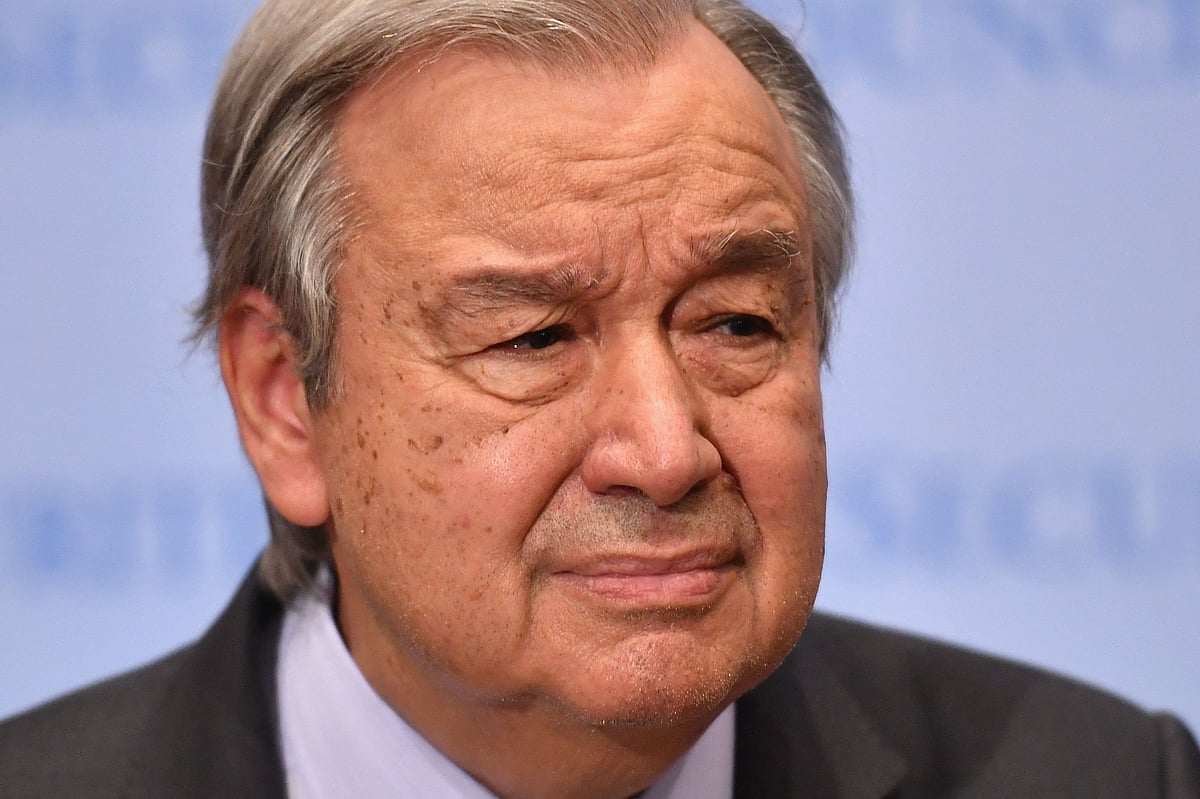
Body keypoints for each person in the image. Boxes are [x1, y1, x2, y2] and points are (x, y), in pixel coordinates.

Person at [1, 0, 1197, 796]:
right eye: (532, 336)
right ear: (283, 401)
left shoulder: (1102, 777)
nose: (665, 448)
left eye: (736, 323)